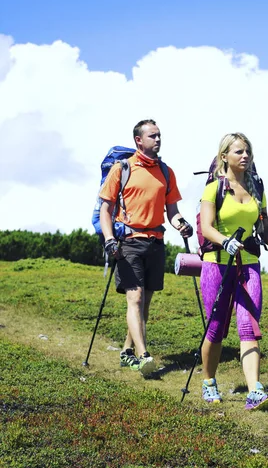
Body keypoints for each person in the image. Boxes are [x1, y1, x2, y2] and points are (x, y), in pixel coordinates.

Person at [199, 132, 268, 410]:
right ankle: (208, 382)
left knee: (248, 327)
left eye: (248, 151)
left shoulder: (257, 188)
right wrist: (225, 241)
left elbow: (264, 229)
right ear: (224, 156)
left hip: (248, 264)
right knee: (215, 328)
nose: (245, 156)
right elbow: (206, 227)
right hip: (217, 263)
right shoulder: (214, 189)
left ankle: (255, 392)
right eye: (239, 152)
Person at [99, 119, 193, 376]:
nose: (158, 140)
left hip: (156, 243)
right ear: (138, 140)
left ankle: (127, 352)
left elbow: (172, 211)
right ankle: (143, 356)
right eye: (153, 136)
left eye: (159, 135)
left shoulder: (165, 171)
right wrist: (109, 239)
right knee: (135, 299)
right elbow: (106, 209)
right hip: (129, 243)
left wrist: (181, 224)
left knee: (145, 304)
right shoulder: (122, 169)